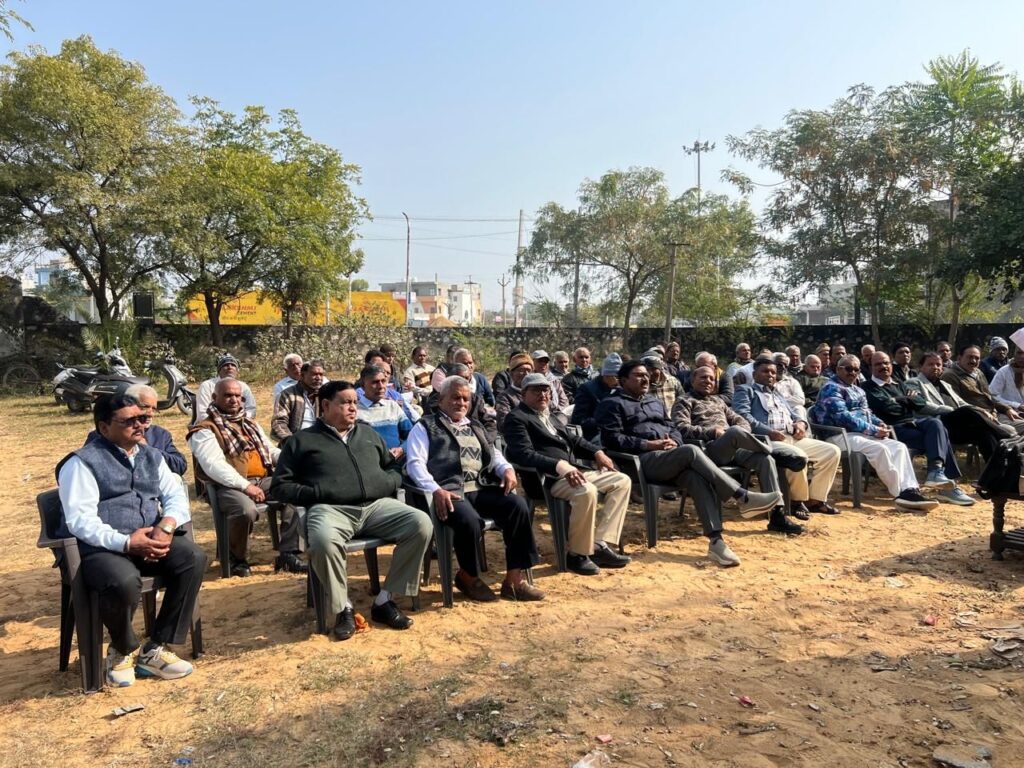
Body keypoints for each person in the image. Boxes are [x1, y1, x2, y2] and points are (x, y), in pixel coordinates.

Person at [59, 393, 206, 686]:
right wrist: (126, 542)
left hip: (148, 539)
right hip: (101, 549)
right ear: (104, 427)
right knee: (124, 581)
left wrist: (165, 527)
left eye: (142, 418)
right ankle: (122, 648)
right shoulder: (81, 463)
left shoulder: (151, 456)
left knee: (192, 558)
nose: (140, 425)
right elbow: (80, 521)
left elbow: (176, 496)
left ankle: (157, 647)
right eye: (129, 421)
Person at [270, 381, 433, 639]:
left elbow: (391, 466)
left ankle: (385, 600)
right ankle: (343, 608)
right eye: (346, 402)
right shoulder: (302, 441)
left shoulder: (367, 434)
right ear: (325, 406)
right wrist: (316, 492)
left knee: (421, 523)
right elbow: (280, 486)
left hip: (376, 506)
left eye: (355, 402)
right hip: (330, 510)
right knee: (323, 542)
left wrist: (388, 482)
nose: (353, 408)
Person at [595, 360, 783, 567]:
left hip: (669, 456)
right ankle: (741, 496)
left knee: (695, 477)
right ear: (623, 380)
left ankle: (716, 542)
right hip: (642, 461)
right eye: (639, 375)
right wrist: (649, 444)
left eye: (646, 375)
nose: (645, 379)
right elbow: (612, 439)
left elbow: (673, 428)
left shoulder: (653, 402)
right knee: (692, 451)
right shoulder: (611, 403)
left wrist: (674, 441)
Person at [405, 376, 544, 601]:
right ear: (441, 400)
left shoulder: (475, 426)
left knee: (518, 506)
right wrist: (435, 489)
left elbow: (493, 453)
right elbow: (415, 464)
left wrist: (507, 469)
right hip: (449, 491)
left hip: (480, 487)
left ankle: (514, 580)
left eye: (465, 399)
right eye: (455, 398)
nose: (461, 403)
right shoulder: (425, 426)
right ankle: (467, 576)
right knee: (468, 520)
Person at [503, 373, 632, 575]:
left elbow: (575, 440)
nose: (542, 394)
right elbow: (523, 454)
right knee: (586, 491)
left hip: (573, 473)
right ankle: (577, 554)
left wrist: (597, 452)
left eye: (546, 390)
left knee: (621, 480)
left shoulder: (551, 416)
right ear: (523, 394)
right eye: (536, 390)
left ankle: (599, 544)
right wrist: (560, 466)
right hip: (546, 479)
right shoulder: (517, 418)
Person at [674, 365, 816, 526]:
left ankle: (778, 515)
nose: (708, 381)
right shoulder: (684, 401)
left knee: (764, 459)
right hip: (709, 451)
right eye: (703, 377)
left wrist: (739, 431)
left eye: (712, 379)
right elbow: (681, 428)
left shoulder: (717, 401)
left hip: (735, 447)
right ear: (693, 380)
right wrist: (712, 432)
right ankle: (773, 452)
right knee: (734, 432)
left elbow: (741, 421)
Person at [189, 378, 304, 576]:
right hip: (227, 486)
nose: (234, 400)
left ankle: (289, 554)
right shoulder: (205, 430)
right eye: (228, 395)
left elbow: (270, 451)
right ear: (215, 397)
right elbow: (214, 466)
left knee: (296, 492)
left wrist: (294, 460)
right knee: (245, 510)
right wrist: (246, 486)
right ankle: (236, 559)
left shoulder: (249, 424)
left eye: (238, 396)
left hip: (263, 480)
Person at [809, 355, 938, 511]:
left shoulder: (858, 389)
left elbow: (867, 412)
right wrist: (874, 430)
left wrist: (879, 423)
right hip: (838, 435)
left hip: (861, 434)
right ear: (838, 369)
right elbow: (842, 417)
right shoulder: (831, 388)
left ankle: (911, 490)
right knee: (880, 449)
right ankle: (901, 494)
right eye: (848, 369)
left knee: (899, 447)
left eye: (856, 370)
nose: (853, 373)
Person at [731, 357, 842, 517]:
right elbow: (742, 415)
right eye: (765, 371)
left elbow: (793, 414)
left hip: (791, 436)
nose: (770, 375)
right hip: (766, 440)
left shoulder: (777, 393)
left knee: (832, 452)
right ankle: (797, 501)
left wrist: (801, 423)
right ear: (754, 374)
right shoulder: (746, 390)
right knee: (797, 456)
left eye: (773, 372)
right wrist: (768, 431)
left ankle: (816, 500)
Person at [862, 351, 973, 505]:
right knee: (940, 439)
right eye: (878, 364)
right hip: (892, 430)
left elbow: (920, 403)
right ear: (870, 367)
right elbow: (888, 409)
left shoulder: (899, 383)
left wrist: (898, 400)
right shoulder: (868, 388)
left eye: (886, 363)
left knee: (936, 424)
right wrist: (907, 399)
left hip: (913, 423)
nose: (883, 366)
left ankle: (936, 471)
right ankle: (947, 486)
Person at [906, 351, 1015, 463]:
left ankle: (998, 467)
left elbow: (961, 402)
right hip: (936, 425)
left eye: (938, 364)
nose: (935, 367)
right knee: (965, 411)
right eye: (930, 364)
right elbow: (923, 405)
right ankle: (1005, 435)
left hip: (956, 427)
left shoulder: (945, 385)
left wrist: (980, 410)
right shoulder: (913, 383)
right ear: (921, 367)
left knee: (984, 433)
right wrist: (953, 410)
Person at [85, 384, 186, 475]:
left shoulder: (160, 434)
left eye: (154, 409)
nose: (150, 413)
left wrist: (150, 451)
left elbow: (180, 466)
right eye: (145, 407)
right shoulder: (101, 435)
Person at [942, 345, 1024, 434]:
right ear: (959, 358)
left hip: (994, 413)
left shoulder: (978, 372)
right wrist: (981, 412)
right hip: (976, 419)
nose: (973, 361)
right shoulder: (950, 376)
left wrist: (1006, 409)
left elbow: (990, 396)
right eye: (970, 357)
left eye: (977, 358)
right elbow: (956, 404)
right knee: (1011, 431)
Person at [424, 363, 497, 444]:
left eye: (467, 378)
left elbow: (489, 423)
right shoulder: (436, 400)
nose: (461, 403)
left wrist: (485, 441)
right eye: (460, 378)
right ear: (449, 378)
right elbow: (431, 425)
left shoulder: (475, 399)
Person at [357, 365, 413, 457]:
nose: (381, 386)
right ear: (363, 385)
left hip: (396, 461)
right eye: (375, 382)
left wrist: (401, 449)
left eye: (383, 381)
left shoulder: (392, 406)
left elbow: (411, 435)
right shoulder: (355, 411)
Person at [271, 359, 325, 446]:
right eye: (314, 374)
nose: (318, 378)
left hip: (321, 443)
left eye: (321, 374)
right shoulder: (288, 395)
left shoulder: (326, 395)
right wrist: (292, 442)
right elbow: (278, 422)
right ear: (302, 375)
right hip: (296, 444)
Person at [194, 354, 257, 425]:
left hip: (240, 423)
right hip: (212, 425)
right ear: (219, 370)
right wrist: (224, 424)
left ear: (237, 370)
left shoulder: (243, 386)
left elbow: (251, 409)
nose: (230, 367)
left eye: (233, 365)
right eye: (225, 365)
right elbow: (202, 414)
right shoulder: (207, 385)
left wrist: (240, 421)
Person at [571, 353, 621, 439]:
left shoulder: (621, 388)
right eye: (616, 377)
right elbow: (578, 420)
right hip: (596, 435)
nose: (619, 381)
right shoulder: (587, 389)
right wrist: (604, 420)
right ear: (605, 375)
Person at [495, 353, 534, 430]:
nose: (526, 374)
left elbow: (555, 412)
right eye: (521, 370)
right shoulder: (504, 397)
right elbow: (503, 423)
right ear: (511, 373)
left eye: (529, 371)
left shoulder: (539, 393)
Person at [772, 352, 807, 420]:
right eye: (779, 365)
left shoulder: (792, 382)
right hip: (772, 411)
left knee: (799, 408)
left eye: (786, 366)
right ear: (772, 364)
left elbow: (800, 400)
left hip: (791, 411)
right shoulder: (765, 380)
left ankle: (800, 426)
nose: (783, 368)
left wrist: (779, 402)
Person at [989, 344, 1024, 409]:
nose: (1022, 356)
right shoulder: (1004, 371)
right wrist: (1017, 405)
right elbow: (992, 395)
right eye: (1019, 353)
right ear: (1014, 354)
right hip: (1008, 411)